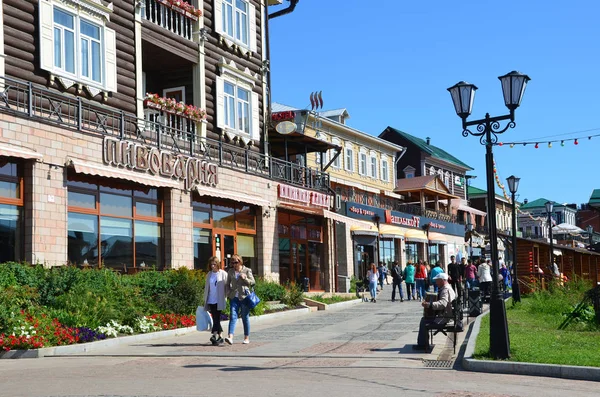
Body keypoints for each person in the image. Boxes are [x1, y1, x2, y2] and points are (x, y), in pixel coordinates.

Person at [415, 272, 456, 350]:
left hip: (446, 318)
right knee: (424, 319)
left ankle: (422, 344)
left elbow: (443, 303)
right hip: (448, 315)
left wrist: (429, 304)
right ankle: (423, 343)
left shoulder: (445, 290)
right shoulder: (447, 288)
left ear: (442, 280)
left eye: (437, 280)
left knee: (424, 321)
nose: (436, 282)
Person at [224, 254, 255, 345]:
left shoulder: (247, 270)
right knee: (233, 316)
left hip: (244, 297)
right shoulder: (230, 272)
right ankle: (230, 337)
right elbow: (227, 284)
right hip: (234, 297)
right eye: (232, 262)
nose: (234, 264)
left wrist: (245, 278)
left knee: (245, 317)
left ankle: (246, 337)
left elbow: (253, 282)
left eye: (236, 262)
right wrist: (228, 293)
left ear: (240, 261)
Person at [203, 256, 228, 345]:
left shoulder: (223, 273)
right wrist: (204, 298)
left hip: (219, 299)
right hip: (211, 298)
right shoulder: (209, 274)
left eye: (214, 264)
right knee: (215, 317)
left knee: (216, 317)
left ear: (218, 264)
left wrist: (226, 296)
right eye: (211, 264)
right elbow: (207, 287)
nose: (213, 266)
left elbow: (227, 286)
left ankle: (214, 335)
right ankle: (220, 336)